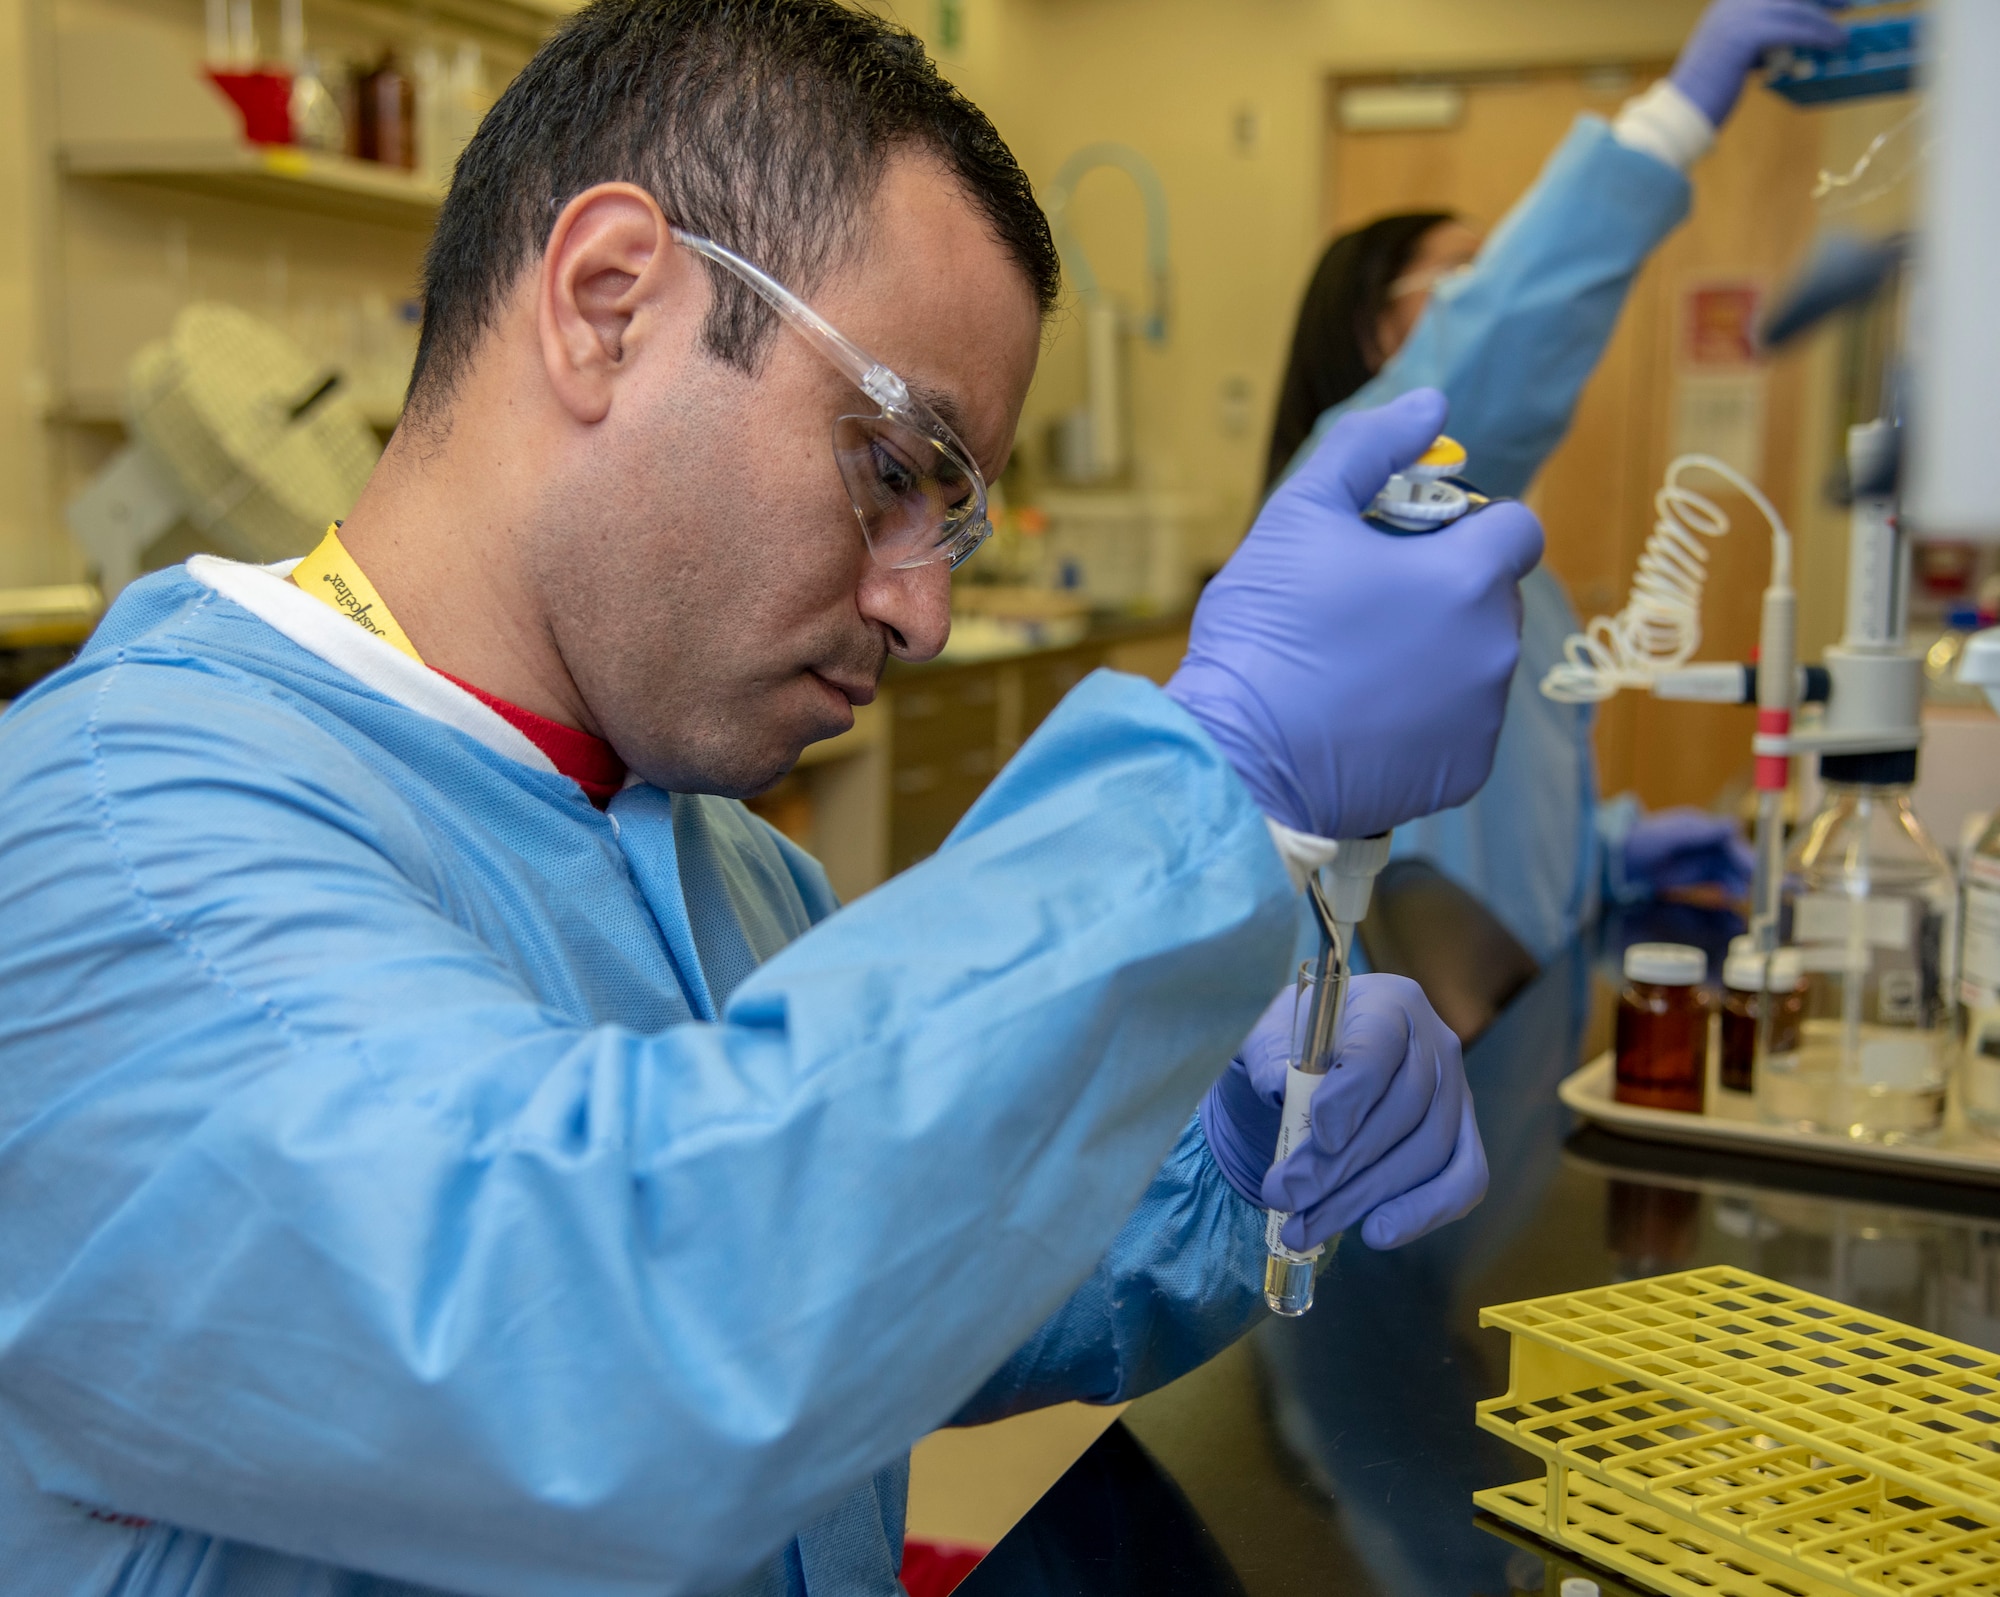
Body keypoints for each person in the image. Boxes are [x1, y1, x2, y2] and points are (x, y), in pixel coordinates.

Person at [0, 4, 1545, 1594]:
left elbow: (867, 1292)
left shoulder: (715, 859)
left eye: (952, 524)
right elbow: (609, 1345)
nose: (922, 611)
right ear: (607, 307)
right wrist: (1225, 772)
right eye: (892, 468)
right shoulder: (122, 839)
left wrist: (1215, 1153)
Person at [1267, 0, 1847, 965]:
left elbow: (1491, 821)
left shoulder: (1487, 544)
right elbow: (1504, 334)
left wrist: (1612, 852)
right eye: (1470, 278)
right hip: (1406, 1039)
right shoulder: (1352, 499)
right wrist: (1670, 124)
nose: (1499, 296)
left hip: (1510, 1023)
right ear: (1378, 332)